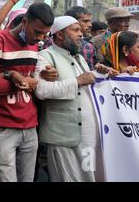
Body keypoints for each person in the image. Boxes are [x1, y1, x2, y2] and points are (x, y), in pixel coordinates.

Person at [0, 2, 56, 182]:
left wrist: (43, 76)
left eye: (45, 34)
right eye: (37, 32)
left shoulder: (34, 46)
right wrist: (15, 78)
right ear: (24, 22)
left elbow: (32, 79)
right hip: (2, 125)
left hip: (30, 125)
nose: (40, 38)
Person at [34, 16, 107, 182]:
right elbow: (42, 90)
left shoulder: (79, 58)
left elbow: (88, 85)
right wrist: (77, 82)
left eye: (80, 30)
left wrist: (101, 73)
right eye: (75, 30)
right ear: (60, 35)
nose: (81, 34)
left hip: (88, 135)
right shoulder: (45, 56)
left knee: (89, 177)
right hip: (62, 135)